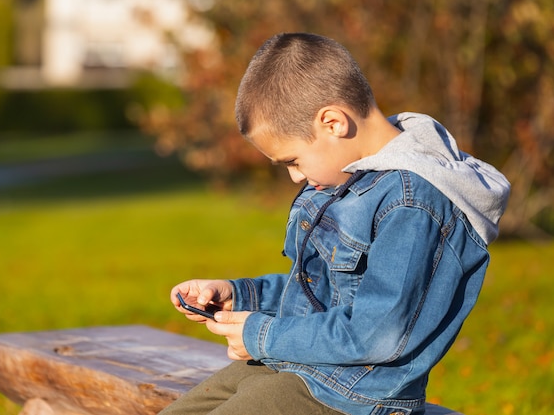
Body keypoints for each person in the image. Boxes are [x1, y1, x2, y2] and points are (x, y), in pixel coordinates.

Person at [161, 33, 510, 415]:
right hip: (303, 369)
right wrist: (238, 296)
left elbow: (377, 333)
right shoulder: (354, 178)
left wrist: (261, 335)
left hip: (352, 398)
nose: (295, 177)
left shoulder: (413, 203)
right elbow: (325, 294)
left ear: (333, 123)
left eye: (293, 160)